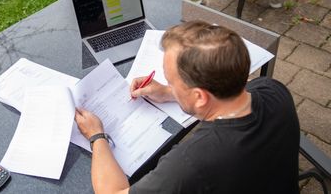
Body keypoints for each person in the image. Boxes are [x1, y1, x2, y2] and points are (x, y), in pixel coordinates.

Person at [74, 20, 300, 194]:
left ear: (200, 97)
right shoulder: (274, 90)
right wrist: (168, 92)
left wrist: (97, 136)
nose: (167, 84)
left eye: (172, 81)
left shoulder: (191, 163)